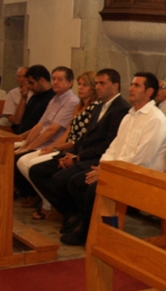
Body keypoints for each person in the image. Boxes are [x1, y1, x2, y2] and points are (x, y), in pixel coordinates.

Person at [63, 72, 166, 245]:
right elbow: (113, 147)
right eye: (132, 84)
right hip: (119, 170)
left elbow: (140, 159)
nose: (130, 88)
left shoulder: (155, 120)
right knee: (76, 182)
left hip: (141, 176)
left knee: (93, 188)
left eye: (136, 86)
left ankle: (92, 233)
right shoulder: (129, 116)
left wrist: (107, 173)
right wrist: (104, 167)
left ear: (149, 92)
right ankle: (96, 226)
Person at [30, 69, 131, 237]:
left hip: (98, 158)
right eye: (96, 83)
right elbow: (85, 137)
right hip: (83, 154)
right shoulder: (99, 107)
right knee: (38, 171)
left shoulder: (121, 109)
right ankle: (71, 213)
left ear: (115, 86)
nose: (97, 87)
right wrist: (71, 154)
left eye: (102, 83)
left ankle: (81, 218)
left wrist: (78, 157)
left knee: (63, 179)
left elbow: (108, 144)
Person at [18, 71, 98, 220]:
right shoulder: (78, 106)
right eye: (80, 84)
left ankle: (51, 205)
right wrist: (50, 148)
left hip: (74, 150)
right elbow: (68, 132)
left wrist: (54, 148)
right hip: (66, 147)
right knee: (23, 161)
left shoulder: (94, 108)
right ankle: (46, 201)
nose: (80, 88)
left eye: (85, 85)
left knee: (31, 165)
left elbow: (77, 139)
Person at [13, 67, 80, 204]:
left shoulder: (72, 101)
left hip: (54, 144)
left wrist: (28, 148)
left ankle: (43, 199)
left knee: (20, 160)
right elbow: (40, 125)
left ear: (70, 83)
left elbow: (53, 130)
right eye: (54, 79)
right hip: (42, 141)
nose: (55, 82)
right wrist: (26, 145)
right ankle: (30, 194)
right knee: (12, 154)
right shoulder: (54, 99)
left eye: (60, 79)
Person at [14, 65, 55, 136]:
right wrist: (23, 98)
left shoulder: (53, 98)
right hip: (21, 135)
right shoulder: (35, 95)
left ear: (42, 81)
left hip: (33, 139)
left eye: (31, 83)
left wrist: (20, 138)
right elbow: (17, 120)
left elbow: (42, 127)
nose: (29, 86)